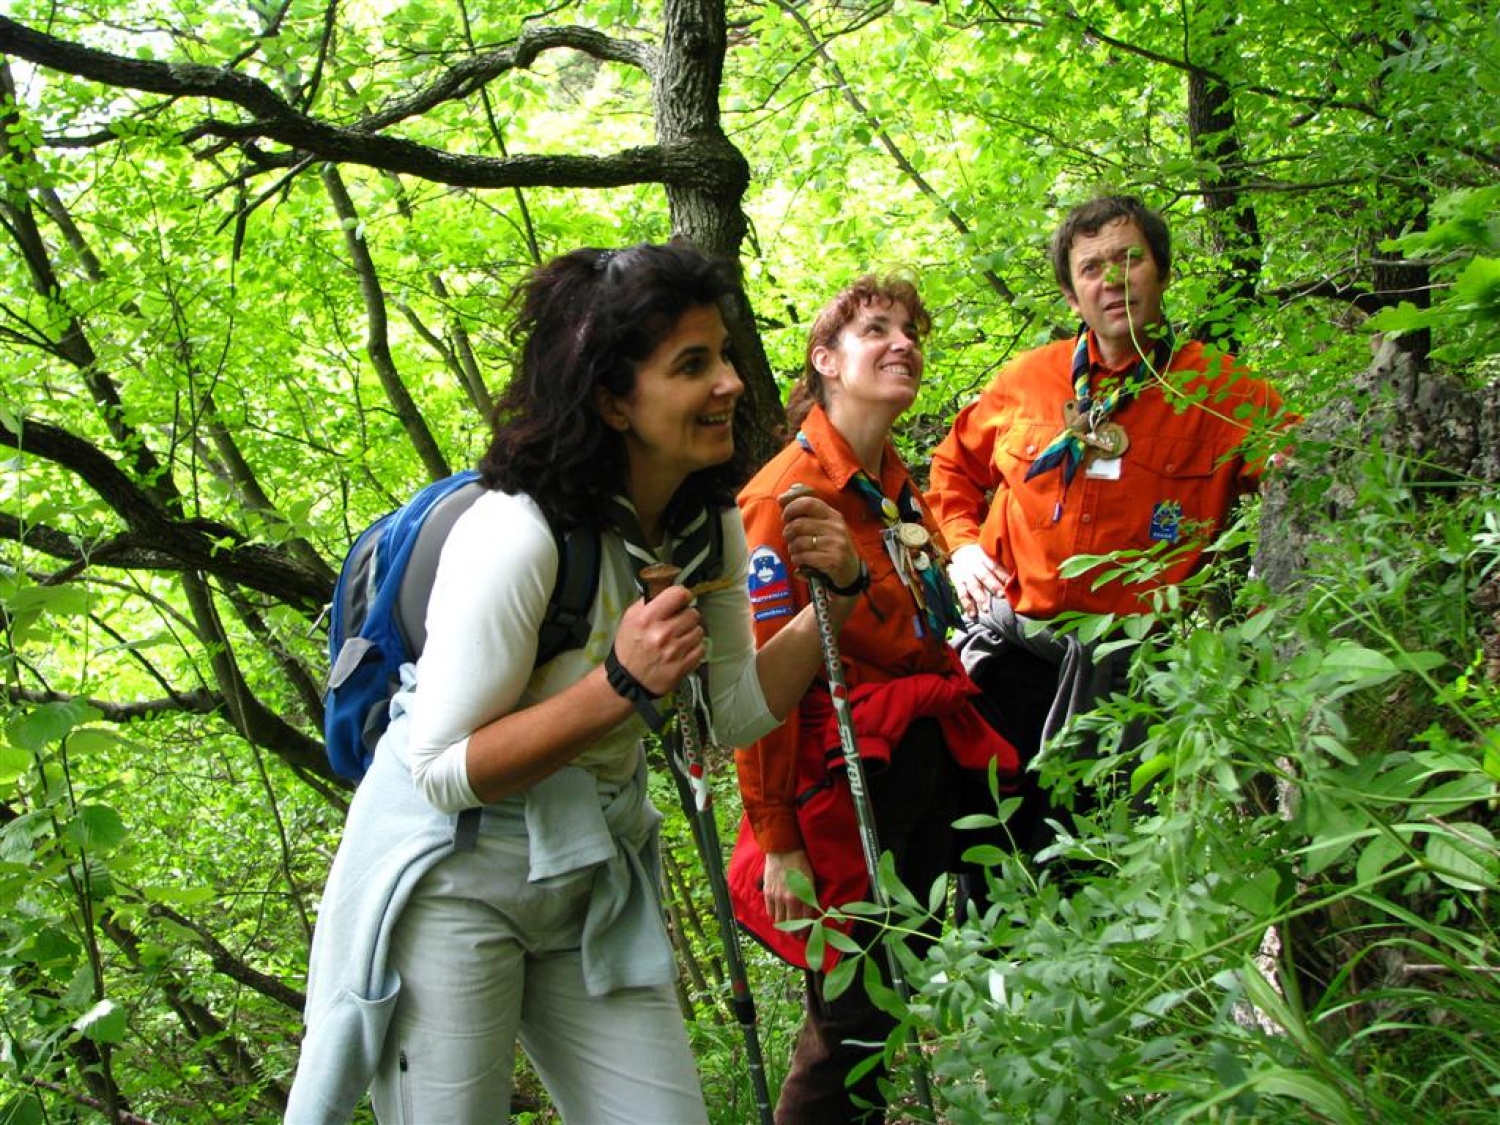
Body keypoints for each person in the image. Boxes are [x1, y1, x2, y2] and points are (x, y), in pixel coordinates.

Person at [285, 242, 865, 1124]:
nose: (732, 384)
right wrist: (620, 684)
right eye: (691, 365)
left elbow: (736, 712)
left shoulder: (704, 524)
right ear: (611, 400)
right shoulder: (517, 536)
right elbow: (440, 768)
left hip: (588, 872)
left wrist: (841, 600)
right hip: (455, 881)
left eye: (724, 358)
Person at [728, 276, 1018, 1124]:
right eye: (875, 330)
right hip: (840, 788)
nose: (903, 343)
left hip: (917, 766)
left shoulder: (894, 486)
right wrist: (777, 838)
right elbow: (759, 688)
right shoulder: (780, 497)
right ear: (825, 361)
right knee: (852, 1019)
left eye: (912, 332)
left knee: (897, 997)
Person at [926, 194, 1287, 858]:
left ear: (1163, 272)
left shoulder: (1222, 391)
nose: (1114, 280)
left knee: (1092, 856)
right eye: (1092, 268)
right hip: (1008, 659)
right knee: (988, 853)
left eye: (1131, 259)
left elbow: (1305, 478)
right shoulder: (1029, 380)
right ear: (1072, 293)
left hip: (1122, 679)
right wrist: (962, 544)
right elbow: (951, 465)